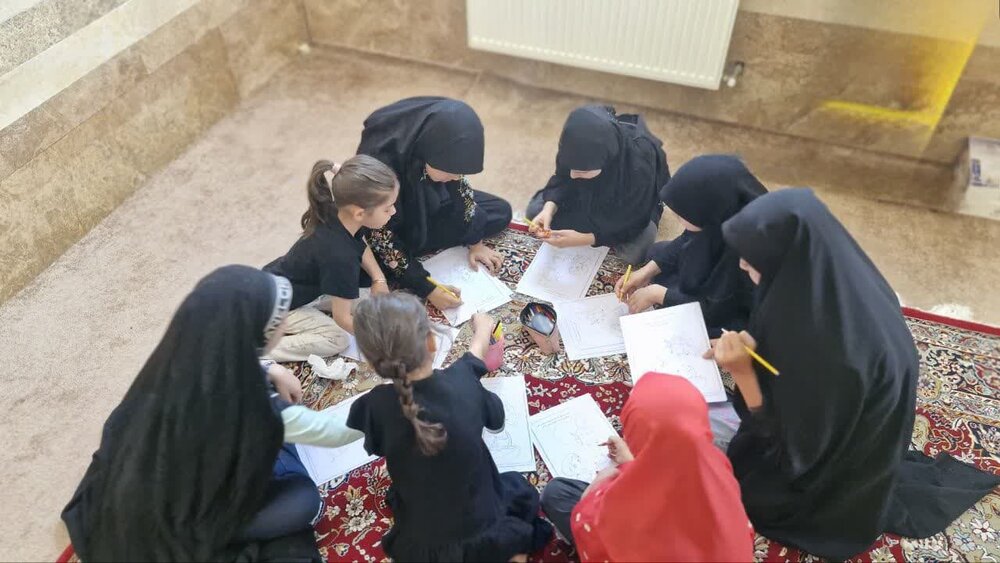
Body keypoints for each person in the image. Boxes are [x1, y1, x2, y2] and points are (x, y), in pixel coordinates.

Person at [706, 189, 1000, 559]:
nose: (741, 265)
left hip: (832, 464)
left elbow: (796, 451)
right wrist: (753, 342)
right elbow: (779, 329)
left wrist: (743, 373)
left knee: (743, 483)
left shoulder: (827, 351)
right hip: (854, 412)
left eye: (752, 261)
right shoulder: (830, 275)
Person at [62, 266, 364, 561]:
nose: (286, 322)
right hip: (180, 522)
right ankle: (212, 532)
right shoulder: (252, 406)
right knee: (304, 501)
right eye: (280, 318)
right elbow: (334, 433)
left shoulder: (177, 360)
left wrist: (271, 368)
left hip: (142, 492)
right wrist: (384, 406)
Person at [346, 293, 551, 561]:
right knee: (518, 488)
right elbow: (496, 420)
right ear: (432, 341)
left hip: (425, 542)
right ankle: (512, 552)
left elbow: (376, 445)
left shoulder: (371, 405)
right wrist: (483, 329)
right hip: (482, 527)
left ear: (372, 362)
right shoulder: (463, 384)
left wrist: (480, 336)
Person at [540, 373, 755, 561]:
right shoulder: (717, 465)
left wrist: (592, 493)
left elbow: (589, 530)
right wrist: (632, 462)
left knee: (556, 493)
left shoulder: (614, 512)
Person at [357, 97, 512, 312]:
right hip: (390, 215)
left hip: (427, 196)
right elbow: (379, 234)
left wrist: (475, 242)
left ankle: (411, 252)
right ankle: (408, 257)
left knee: (499, 211)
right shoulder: (381, 162)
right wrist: (427, 288)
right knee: (365, 269)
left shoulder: (439, 141)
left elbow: (462, 191)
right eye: (451, 171)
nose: (456, 177)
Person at [263, 155, 398, 362]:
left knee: (370, 303)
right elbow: (342, 319)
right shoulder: (340, 258)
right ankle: (258, 354)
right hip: (275, 306)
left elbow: (358, 243)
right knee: (338, 339)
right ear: (359, 213)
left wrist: (378, 279)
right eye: (387, 208)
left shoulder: (339, 211)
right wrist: (381, 344)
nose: (393, 211)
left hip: (285, 282)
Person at [616, 155, 766, 337]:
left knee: (707, 331)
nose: (678, 219)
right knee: (657, 254)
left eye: (682, 216)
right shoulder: (721, 214)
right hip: (715, 269)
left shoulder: (745, 252)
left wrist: (658, 294)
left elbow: (715, 308)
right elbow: (687, 239)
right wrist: (646, 272)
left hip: (732, 305)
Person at [526, 105, 670, 264]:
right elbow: (562, 178)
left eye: (581, 171)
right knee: (535, 211)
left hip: (629, 206)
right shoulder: (573, 145)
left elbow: (634, 217)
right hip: (587, 193)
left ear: (606, 159)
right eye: (572, 168)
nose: (573, 175)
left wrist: (586, 239)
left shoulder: (639, 162)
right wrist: (549, 208)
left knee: (633, 255)